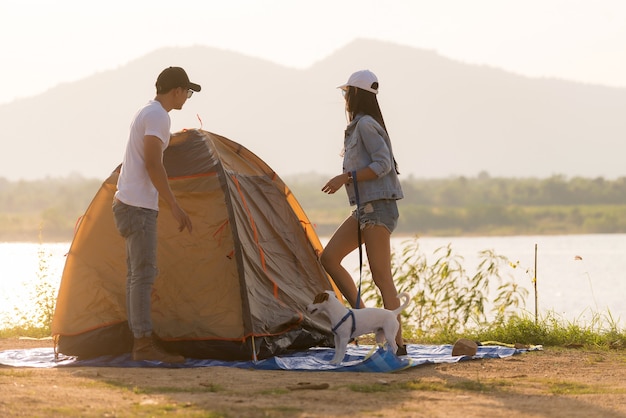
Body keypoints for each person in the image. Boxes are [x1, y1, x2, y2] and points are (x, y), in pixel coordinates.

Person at [112, 66, 201, 363]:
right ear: (175, 90)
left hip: (129, 202)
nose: (187, 98)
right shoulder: (158, 116)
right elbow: (153, 162)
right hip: (138, 207)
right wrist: (174, 206)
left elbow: (151, 155)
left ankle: (139, 340)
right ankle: (143, 344)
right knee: (143, 275)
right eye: (186, 92)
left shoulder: (149, 113)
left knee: (136, 275)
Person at [320, 69, 406, 355]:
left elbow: (383, 165)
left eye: (346, 92)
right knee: (329, 258)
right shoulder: (359, 126)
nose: (344, 97)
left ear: (355, 94)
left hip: (379, 208)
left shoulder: (366, 126)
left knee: (382, 277)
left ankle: (399, 345)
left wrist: (346, 178)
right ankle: (365, 320)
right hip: (364, 210)